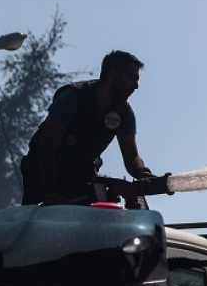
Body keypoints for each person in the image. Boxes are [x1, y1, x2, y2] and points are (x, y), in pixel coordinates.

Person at [20, 50, 155, 205]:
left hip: (78, 181)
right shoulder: (72, 98)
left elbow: (131, 157)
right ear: (113, 75)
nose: (136, 86)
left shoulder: (124, 114)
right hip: (42, 179)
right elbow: (46, 148)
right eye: (131, 78)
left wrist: (141, 171)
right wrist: (52, 194)